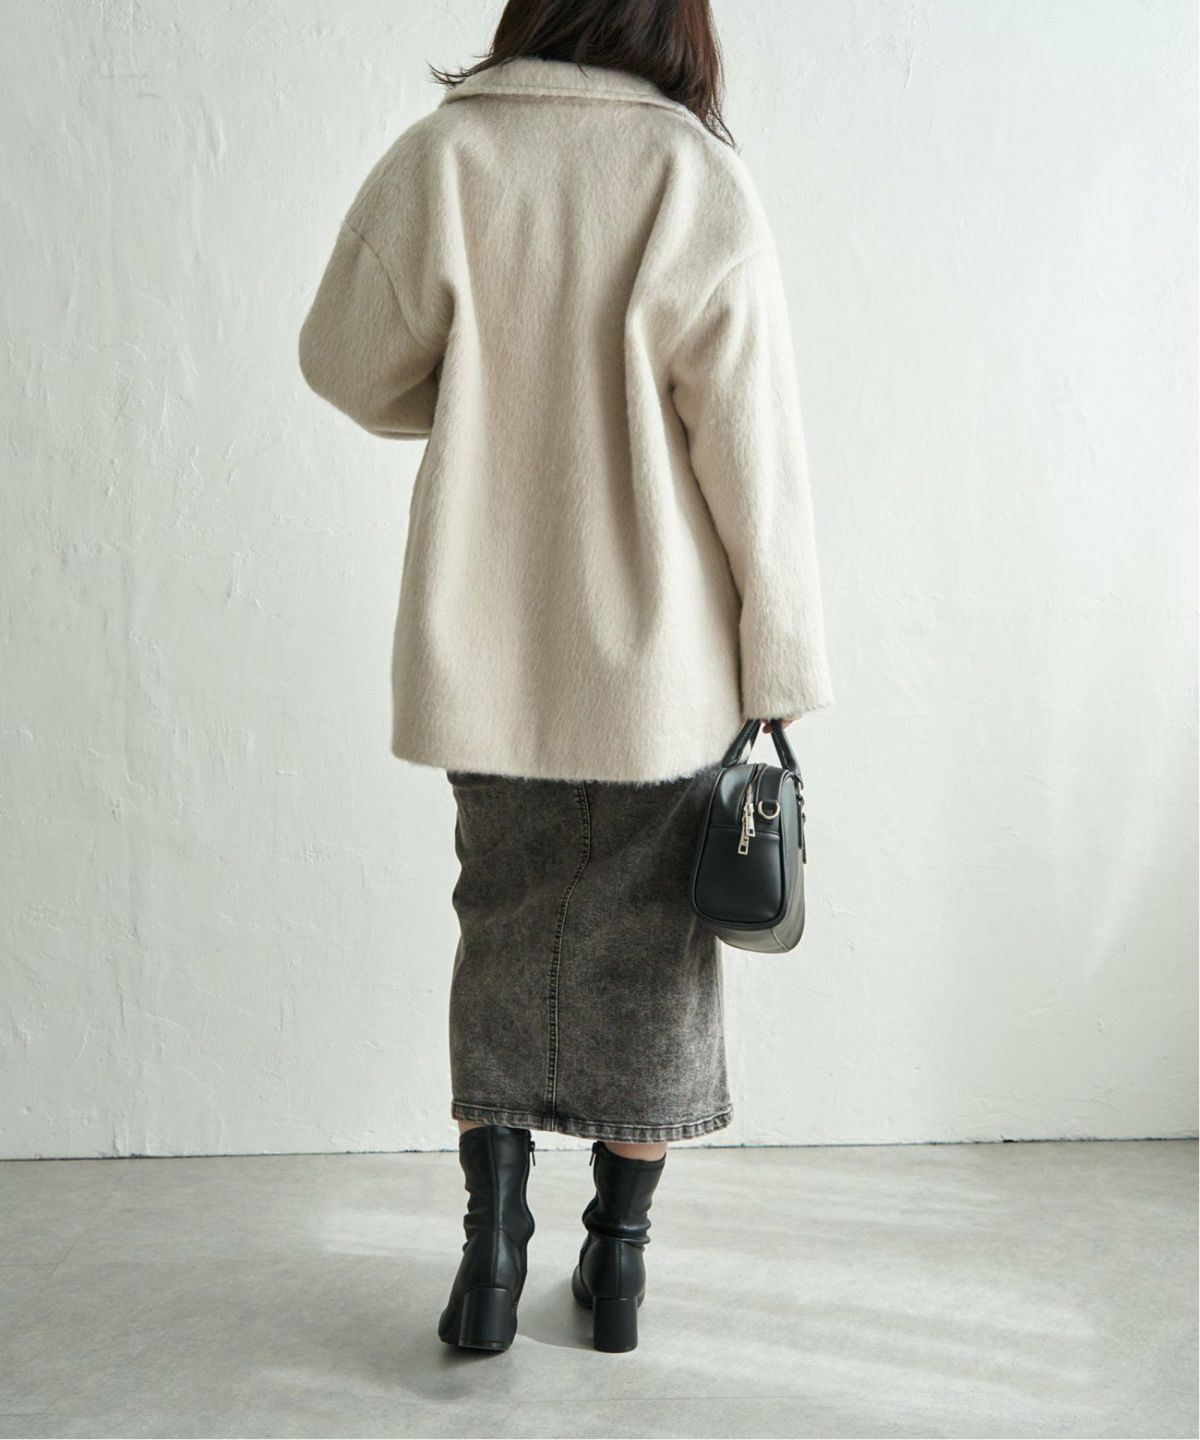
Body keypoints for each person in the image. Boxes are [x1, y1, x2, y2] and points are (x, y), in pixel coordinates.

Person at [298, 0, 834, 1356]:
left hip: (490, 654)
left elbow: (342, 362)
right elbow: (755, 454)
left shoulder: (446, 157)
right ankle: (619, 1268)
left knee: (501, 930)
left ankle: (489, 1259)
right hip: (662, 672)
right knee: (656, 966)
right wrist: (779, 655)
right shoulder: (694, 178)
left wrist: (477, 398)